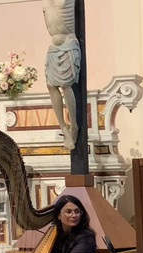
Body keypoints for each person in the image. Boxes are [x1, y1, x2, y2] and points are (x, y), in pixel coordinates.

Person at [43, 0, 80, 150]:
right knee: (50, 85)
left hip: (69, 43)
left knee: (65, 85)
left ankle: (74, 125)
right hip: (54, 46)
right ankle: (64, 128)